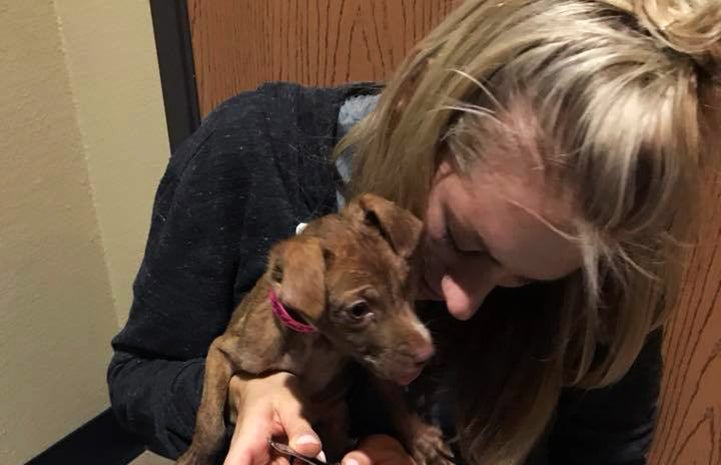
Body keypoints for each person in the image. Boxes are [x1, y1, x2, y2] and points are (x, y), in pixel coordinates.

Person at [107, 0, 720, 464]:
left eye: (525, 282)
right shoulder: (248, 152)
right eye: (460, 237)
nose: (460, 304)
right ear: (414, 105)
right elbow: (139, 376)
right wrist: (242, 395)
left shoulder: (609, 274)